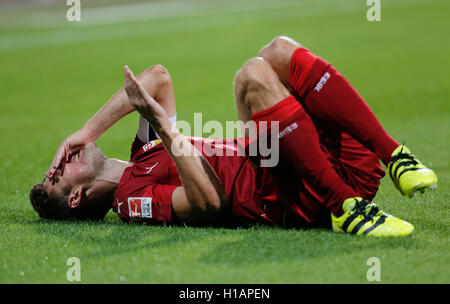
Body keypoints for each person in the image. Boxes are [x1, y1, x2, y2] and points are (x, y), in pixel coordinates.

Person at [30, 36, 438, 237]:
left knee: (277, 51)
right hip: (286, 192)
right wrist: (169, 130)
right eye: (55, 176)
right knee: (252, 77)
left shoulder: (143, 155)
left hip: (314, 162)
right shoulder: (127, 198)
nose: (59, 161)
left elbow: (157, 78)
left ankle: (393, 155)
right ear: (76, 197)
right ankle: (343, 205)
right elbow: (208, 202)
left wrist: (86, 131)